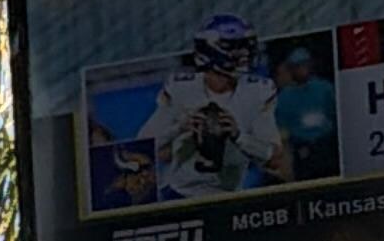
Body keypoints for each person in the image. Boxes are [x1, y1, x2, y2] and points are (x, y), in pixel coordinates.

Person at [141, 12, 283, 198]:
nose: (244, 54)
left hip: (228, 197)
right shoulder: (181, 88)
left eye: (246, 47)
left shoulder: (258, 91)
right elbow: (142, 148)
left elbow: (274, 159)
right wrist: (179, 128)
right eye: (235, 47)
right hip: (178, 196)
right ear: (211, 49)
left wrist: (239, 136)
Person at [272, 42, 340, 180]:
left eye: (304, 64)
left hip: (327, 147)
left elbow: (335, 115)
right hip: (303, 150)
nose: (302, 69)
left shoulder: (325, 88)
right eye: (297, 66)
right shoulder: (284, 97)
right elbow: (283, 131)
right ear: (291, 69)